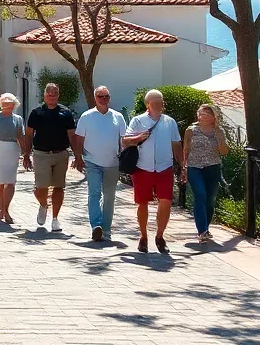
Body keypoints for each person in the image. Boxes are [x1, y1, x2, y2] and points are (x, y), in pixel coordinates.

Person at [123, 89, 184, 254]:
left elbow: (176, 144)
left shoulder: (169, 122)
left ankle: (160, 236)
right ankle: (143, 236)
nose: (159, 104)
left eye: (161, 101)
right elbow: (125, 141)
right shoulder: (137, 121)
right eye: (155, 101)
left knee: (166, 202)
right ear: (147, 104)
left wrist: (182, 165)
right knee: (142, 203)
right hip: (142, 167)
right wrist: (138, 138)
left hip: (165, 167)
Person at [71, 85, 126, 241]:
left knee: (109, 196)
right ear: (95, 98)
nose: (104, 99)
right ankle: (96, 226)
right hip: (92, 162)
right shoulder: (87, 116)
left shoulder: (118, 117)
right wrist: (78, 157)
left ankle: (106, 229)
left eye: (106, 96)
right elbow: (79, 139)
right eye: (100, 96)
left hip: (112, 162)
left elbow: (123, 140)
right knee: (94, 193)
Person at [26, 83, 78, 233]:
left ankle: (55, 219)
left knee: (59, 187)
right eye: (49, 93)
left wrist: (77, 156)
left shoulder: (65, 113)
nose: (52, 96)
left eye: (55, 93)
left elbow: (72, 135)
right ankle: (43, 205)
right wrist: (26, 154)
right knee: (40, 188)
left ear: (58, 95)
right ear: (44, 95)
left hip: (61, 154)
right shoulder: (36, 113)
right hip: (41, 154)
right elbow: (29, 134)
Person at [183, 104, 228, 243]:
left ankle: (205, 229)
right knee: (200, 195)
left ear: (213, 117)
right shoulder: (191, 130)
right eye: (201, 114)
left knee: (209, 200)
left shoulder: (218, 131)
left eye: (207, 114)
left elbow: (224, 152)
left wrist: (220, 138)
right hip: (194, 167)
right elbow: (186, 149)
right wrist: (183, 168)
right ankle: (202, 231)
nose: (203, 116)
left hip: (213, 167)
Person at [0, 93, 28, 224]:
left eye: (9, 102)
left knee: (10, 181)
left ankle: (6, 210)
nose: (6, 104)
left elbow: (21, 136)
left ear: (14, 104)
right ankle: (1, 209)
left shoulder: (18, 119)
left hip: (12, 148)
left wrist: (26, 152)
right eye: (4, 102)